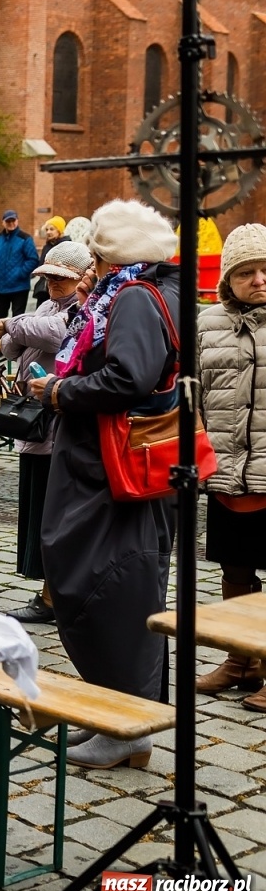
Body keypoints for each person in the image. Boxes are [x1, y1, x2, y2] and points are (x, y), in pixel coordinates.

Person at [29, 199, 179, 768]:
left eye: (97, 252)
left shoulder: (136, 295)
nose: (90, 262)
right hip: (108, 462)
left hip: (110, 465)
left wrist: (60, 393)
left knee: (106, 585)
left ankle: (128, 726)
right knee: (110, 582)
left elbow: (129, 376)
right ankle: (121, 719)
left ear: (117, 253)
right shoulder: (143, 289)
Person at [0, 241, 93, 625]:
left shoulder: (84, 308)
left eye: (60, 278)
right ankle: (48, 591)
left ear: (79, 277)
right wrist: (16, 327)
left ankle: (53, 597)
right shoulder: (44, 307)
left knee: (52, 514)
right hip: (32, 426)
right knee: (36, 511)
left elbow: (57, 336)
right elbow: (11, 347)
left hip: (56, 425)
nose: (52, 285)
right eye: (48, 278)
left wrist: (13, 323)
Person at [195, 224, 266, 707]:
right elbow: (193, 394)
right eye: (246, 273)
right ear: (228, 280)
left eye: (265, 270)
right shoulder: (206, 324)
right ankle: (242, 660)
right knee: (234, 565)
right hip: (226, 472)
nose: (259, 280)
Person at [0, 209, 39, 319]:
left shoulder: (25, 239)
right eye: (8, 221)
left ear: (17, 221)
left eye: (13, 221)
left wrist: (21, 273)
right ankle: (1, 337)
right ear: (3, 223)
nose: (11, 223)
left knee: (18, 319)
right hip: (0, 286)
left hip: (19, 287)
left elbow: (33, 259)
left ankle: (16, 337)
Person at [32, 216, 69, 305]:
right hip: (44, 290)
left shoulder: (67, 246)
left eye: (52, 229)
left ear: (59, 231)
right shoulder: (46, 247)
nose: (48, 232)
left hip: (59, 289)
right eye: (47, 229)